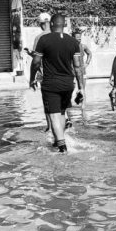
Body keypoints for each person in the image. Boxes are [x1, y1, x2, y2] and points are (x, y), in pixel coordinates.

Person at [29, 14, 85, 153]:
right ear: (64, 25)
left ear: (52, 24)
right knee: (61, 113)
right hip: (68, 84)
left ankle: (62, 148)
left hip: (51, 84)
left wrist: (32, 78)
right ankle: (58, 141)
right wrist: (80, 87)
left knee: (53, 115)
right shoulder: (73, 42)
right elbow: (77, 67)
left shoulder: (44, 39)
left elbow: (36, 62)